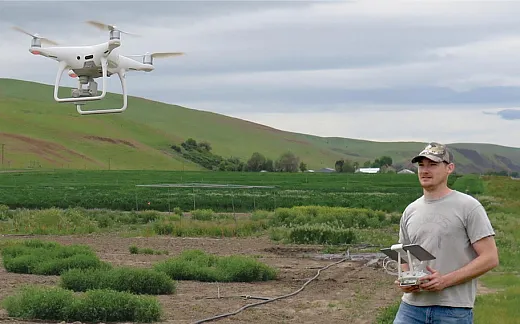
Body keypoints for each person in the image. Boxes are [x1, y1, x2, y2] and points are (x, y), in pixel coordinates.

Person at [393, 142, 499, 324]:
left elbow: (490, 258)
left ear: (450, 168)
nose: (425, 170)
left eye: (433, 165)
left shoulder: (468, 206)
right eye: (421, 165)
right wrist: (407, 280)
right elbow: (404, 256)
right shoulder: (410, 210)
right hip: (411, 309)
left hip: (453, 310)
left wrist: (445, 281)